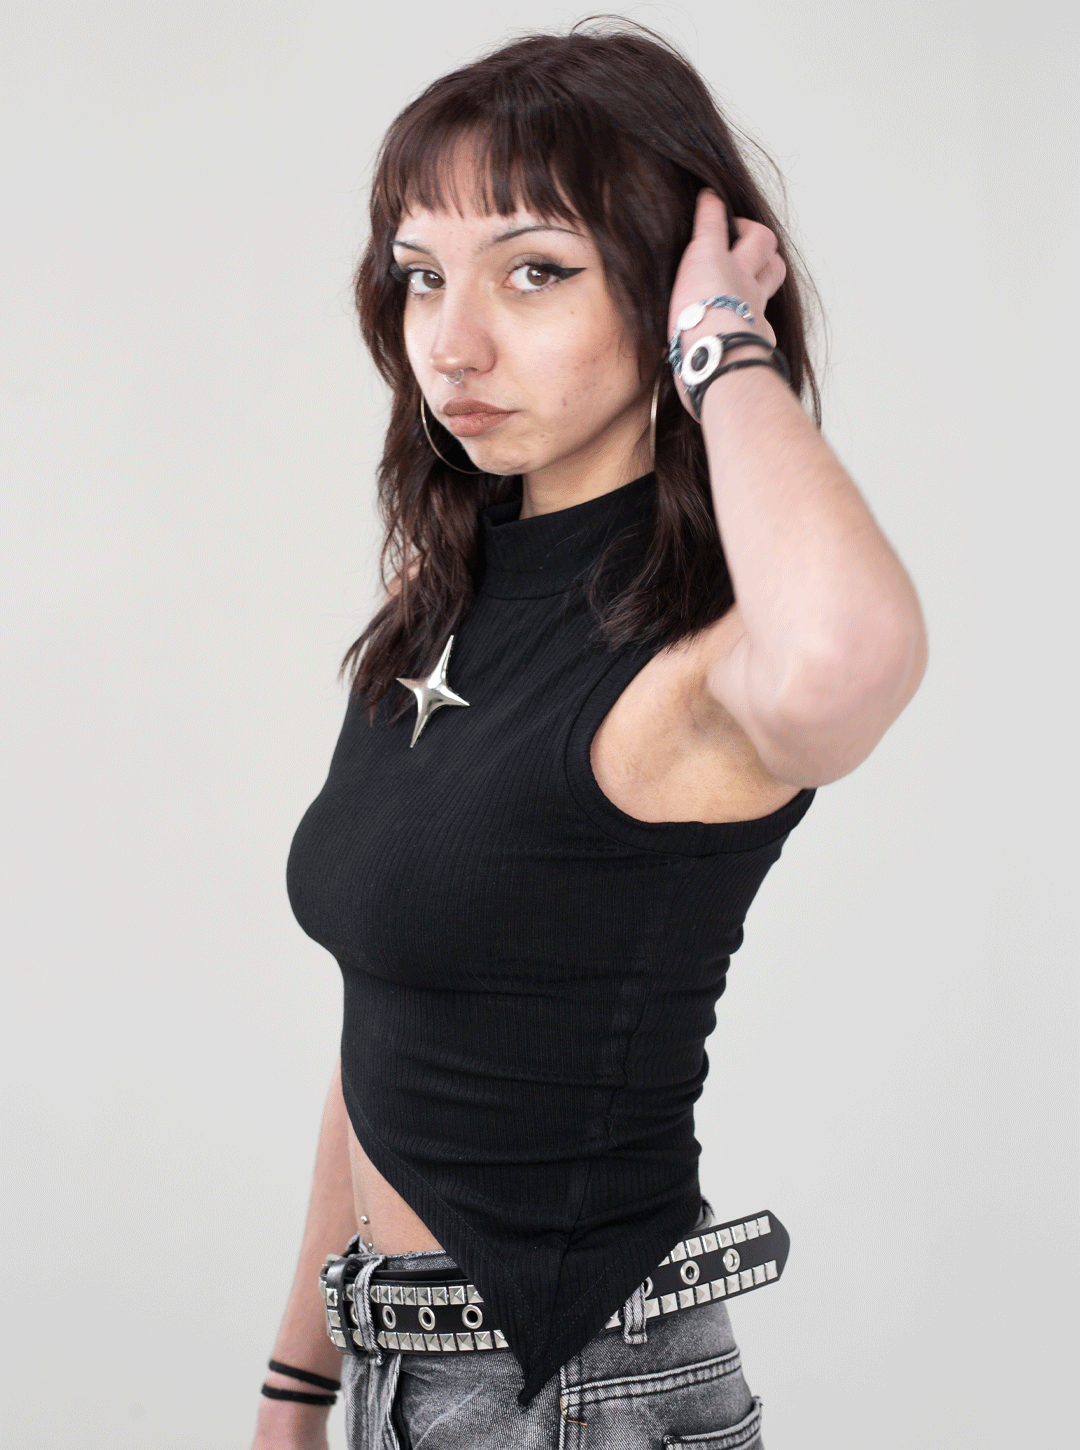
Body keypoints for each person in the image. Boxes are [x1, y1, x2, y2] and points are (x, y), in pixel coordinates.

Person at [251, 22, 926, 1450]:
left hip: (578, 1392)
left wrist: (723, 344)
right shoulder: (444, 603)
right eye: (423, 274)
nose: (452, 340)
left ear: (661, 284)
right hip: (400, 1375)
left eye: (536, 271)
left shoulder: (706, 653)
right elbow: (387, 1021)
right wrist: (299, 1386)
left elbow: (849, 654)